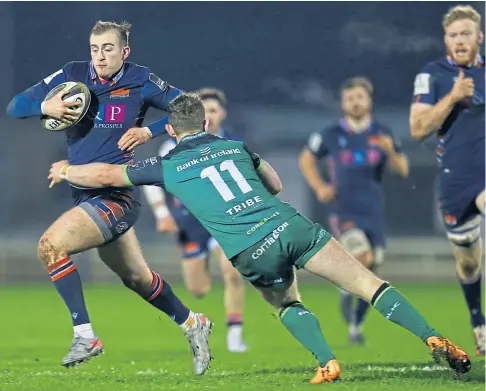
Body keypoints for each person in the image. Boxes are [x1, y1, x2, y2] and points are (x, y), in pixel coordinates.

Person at [48, 92, 471, 384]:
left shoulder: (167, 164)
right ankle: (432, 336)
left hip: (251, 251)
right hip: (289, 226)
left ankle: (327, 362)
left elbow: (105, 175)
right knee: (369, 285)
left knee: (287, 303)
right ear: (207, 122)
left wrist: (66, 170)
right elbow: (275, 183)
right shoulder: (236, 146)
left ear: (172, 132)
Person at [6, 21, 212, 374]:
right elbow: (15, 105)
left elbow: (192, 111)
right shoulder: (72, 74)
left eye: (108, 49)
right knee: (138, 279)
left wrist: (150, 130)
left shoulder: (141, 79)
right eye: (95, 49)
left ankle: (85, 335)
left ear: (124, 51)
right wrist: (46, 107)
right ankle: (193, 323)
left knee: (50, 246)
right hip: (84, 195)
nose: (100, 57)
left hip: (117, 195)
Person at [299, 77, 409, 344]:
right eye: (350, 98)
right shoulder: (330, 134)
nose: (355, 102)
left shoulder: (382, 133)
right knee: (364, 257)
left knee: (371, 271)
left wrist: (391, 153)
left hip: (372, 211)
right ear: (343, 103)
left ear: (369, 100)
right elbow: (306, 159)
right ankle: (349, 293)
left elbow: (403, 169)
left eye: (360, 97)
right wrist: (319, 187)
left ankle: (355, 327)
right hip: (343, 210)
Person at [143, 88, 247, 352]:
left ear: (222, 114)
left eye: (213, 110)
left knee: (232, 271)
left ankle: (235, 336)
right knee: (198, 289)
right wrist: (162, 213)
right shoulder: (174, 144)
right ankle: (203, 264)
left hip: (225, 219)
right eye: (204, 111)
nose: (209, 116)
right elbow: (152, 179)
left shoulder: (233, 143)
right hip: (190, 222)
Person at [409, 5, 485, 355]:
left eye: (466, 33)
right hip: (455, 182)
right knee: (468, 261)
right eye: (453, 35)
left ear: (479, 37)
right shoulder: (432, 75)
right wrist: (453, 97)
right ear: (446, 40)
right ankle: (478, 320)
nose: (460, 40)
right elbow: (418, 129)